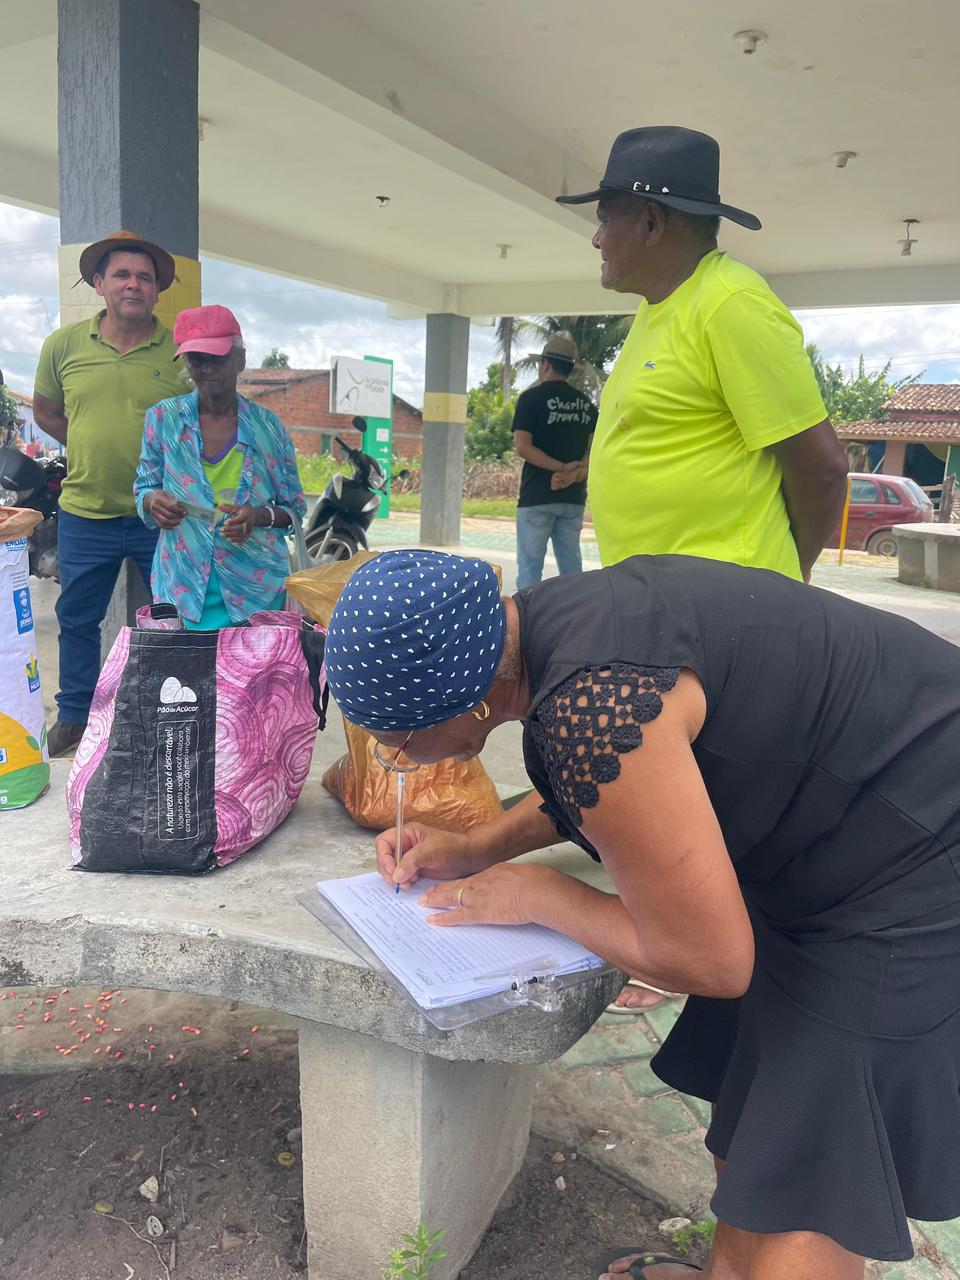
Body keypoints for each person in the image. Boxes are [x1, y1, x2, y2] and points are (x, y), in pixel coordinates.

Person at [323, 548, 960, 1280]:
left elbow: (712, 962)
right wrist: (477, 845)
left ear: (469, 705)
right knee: (762, 1119)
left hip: (920, 853)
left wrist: (542, 895)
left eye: (398, 741)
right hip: (837, 829)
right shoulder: (546, 624)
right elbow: (622, 777)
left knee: (813, 1160)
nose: (395, 757)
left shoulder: (593, 701)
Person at [555, 126, 848, 586]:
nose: (596, 239)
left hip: (726, 612)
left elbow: (823, 468)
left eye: (605, 220)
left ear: (651, 223)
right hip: (665, 606)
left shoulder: (730, 303)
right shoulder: (658, 309)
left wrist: (788, 582)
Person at [33, 230, 185, 755]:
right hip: (84, 510)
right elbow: (47, 411)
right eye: (121, 274)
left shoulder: (178, 352)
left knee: (172, 620)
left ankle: (175, 714)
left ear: (157, 290)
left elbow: (197, 425)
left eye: (145, 277)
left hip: (161, 517)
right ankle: (75, 717)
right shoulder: (64, 346)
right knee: (77, 619)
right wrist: (91, 443)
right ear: (99, 283)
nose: (133, 285)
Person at [134, 305, 305, 629]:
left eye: (218, 358)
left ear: (239, 360)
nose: (207, 368)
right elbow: (144, 485)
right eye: (196, 359)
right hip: (182, 589)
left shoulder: (269, 429)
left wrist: (257, 516)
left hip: (255, 594)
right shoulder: (163, 419)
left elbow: (294, 509)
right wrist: (151, 500)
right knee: (185, 679)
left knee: (250, 679)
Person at [512, 331, 597, 589]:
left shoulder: (531, 399)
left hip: (537, 496)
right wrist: (572, 474)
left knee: (530, 567)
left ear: (546, 364)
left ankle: (527, 623)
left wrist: (560, 469)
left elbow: (523, 447)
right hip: (572, 498)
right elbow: (592, 453)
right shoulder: (586, 405)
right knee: (572, 568)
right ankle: (577, 619)